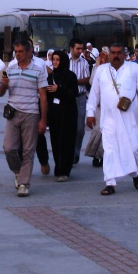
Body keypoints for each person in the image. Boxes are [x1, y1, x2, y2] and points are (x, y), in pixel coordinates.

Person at [86, 43, 138, 195]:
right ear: (109, 55)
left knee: (133, 148)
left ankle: (135, 174)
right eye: (113, 53)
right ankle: (110, 183)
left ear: (125, 55)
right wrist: (90, 113)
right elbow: (94, 94)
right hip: (108, 119)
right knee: (109, 151)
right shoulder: (101, 70)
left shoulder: (133, 69)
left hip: (130, 119)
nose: (116, 55)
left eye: (119, 52)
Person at [0, 39, 48, 197]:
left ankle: (24, 184)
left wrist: (43, 120)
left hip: (31, 113)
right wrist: (3, 85)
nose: (17, 55)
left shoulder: (38, 70)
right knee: (9, 148)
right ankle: (19, 171)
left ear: (29, 52)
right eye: (16, 52)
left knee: (28, 150)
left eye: (20, 52)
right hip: (13, 112)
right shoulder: (10, 68)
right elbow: (0, 94)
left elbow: (43, 96)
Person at [46, 50, 78, 182]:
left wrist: (59, 89)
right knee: (55, 141)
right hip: (54, 113)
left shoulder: (70, 76)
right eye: (53, 59)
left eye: (58, 60)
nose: (55, 62)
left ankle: (65, 169)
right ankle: (58, 167)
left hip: (68, 113)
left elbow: (73, 93)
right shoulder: (50, 76)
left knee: (66, 141)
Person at [68, 38, 91, 164]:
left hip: (80, 96)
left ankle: (76, 152)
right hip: (67, 97)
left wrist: (73, 81)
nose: (80, 51)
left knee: (80, 128)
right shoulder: (65, 60)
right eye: (77, 48)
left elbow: (87, 79)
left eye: (81, 48)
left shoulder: (84, 63)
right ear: (71, 48)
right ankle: (69, 152)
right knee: (68, 127)